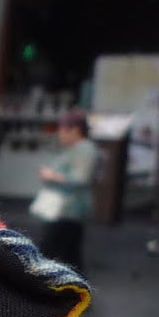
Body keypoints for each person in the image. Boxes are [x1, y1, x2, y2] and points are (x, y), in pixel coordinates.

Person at [33, 107, 98, 271]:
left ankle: (40, 285)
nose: (60, 134)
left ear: (75, 130)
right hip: (67, 207)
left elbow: (80, 179)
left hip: (68, 207)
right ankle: (75, 288)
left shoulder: (85, 149)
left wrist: (51, 176)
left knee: (49, 249)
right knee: (70, 254)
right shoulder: (78, 149)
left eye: (62, 130)